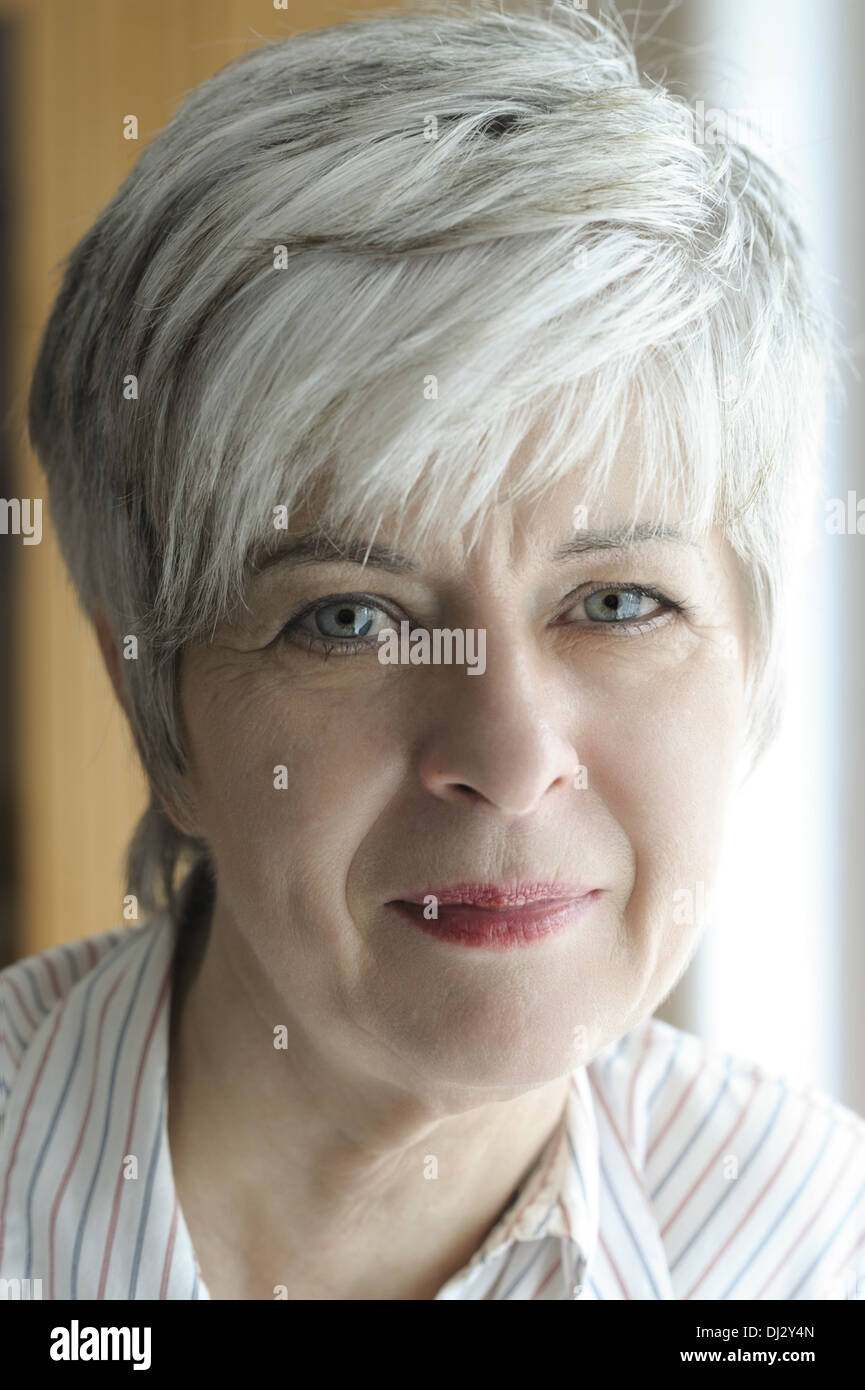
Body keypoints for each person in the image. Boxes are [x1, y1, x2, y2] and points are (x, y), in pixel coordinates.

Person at [1, 0, 863, 1301]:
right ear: (155, 705)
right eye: (349, 615)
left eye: (618, 601)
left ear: (753, 664)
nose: (510, 758)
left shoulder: (808, 1252)